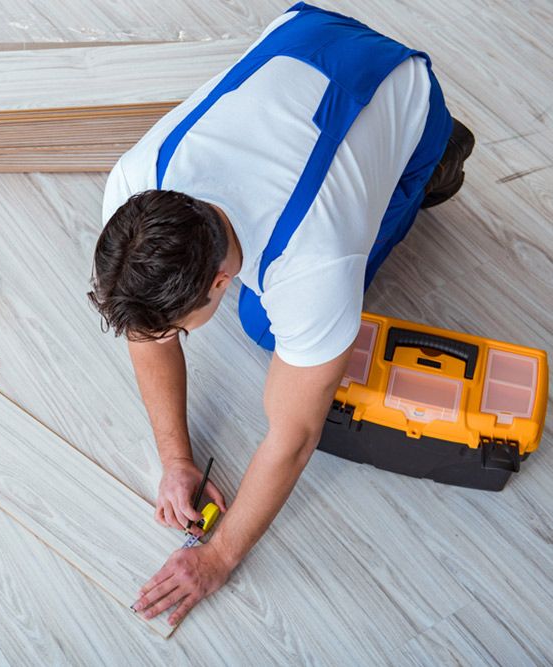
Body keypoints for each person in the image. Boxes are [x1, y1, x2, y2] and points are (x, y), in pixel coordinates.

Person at [88, 3, 474, 626]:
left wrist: (217, 558)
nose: (168, 338)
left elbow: (293, 439)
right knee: (272, 324)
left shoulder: (314, 267)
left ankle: (437, 152)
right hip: (306, 30)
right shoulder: (134, 187)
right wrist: (176, 461)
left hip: (397, 85)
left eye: (181, 327)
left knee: (270, 327)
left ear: (220, 279)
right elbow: (146, 331)